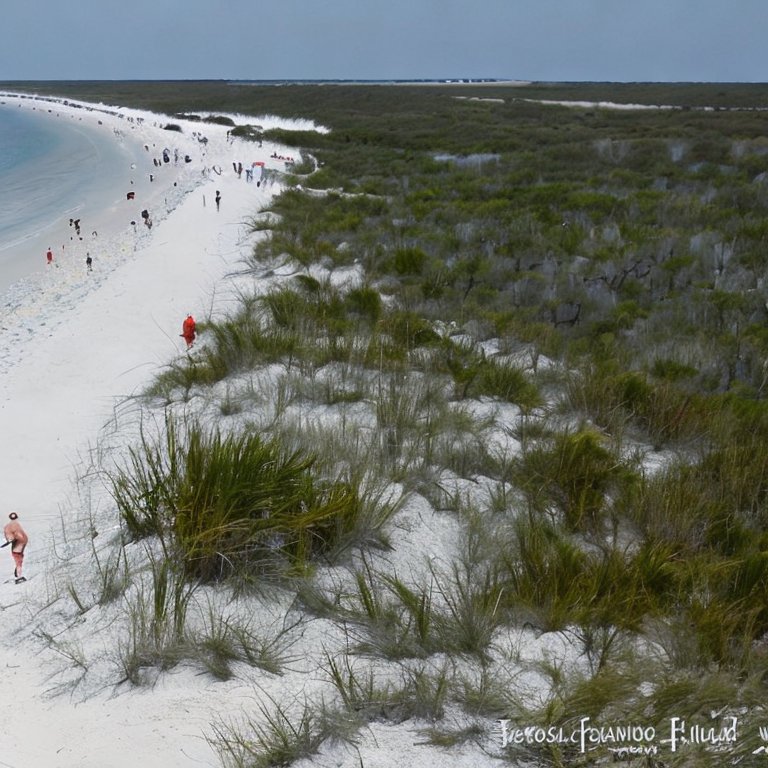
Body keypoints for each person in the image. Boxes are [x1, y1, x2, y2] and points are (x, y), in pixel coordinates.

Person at [3, 512, 28, 583]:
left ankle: (17, 574)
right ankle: (18, 576)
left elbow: (10, 538)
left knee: (19, 561)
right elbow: (11, 537)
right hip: (18, 546)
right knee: (18, 561)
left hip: (19, 546)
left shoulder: (10, 526)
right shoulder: (14, 525)